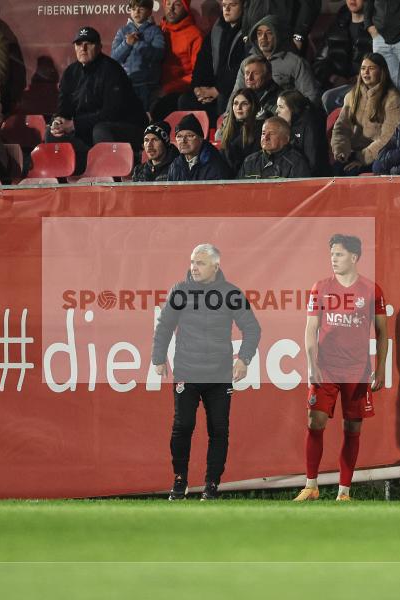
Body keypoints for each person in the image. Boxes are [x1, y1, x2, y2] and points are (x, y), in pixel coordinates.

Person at [152, 243, 261, 500]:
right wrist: (158, 358)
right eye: (192, 262)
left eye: (200, 263)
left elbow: (252, 329)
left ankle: (212, 485)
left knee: (218, 429)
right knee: (183, 425)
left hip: (219, 375)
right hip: (187, 372)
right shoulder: (180, 291)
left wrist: (243, 359)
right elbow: (164, 326)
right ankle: (180, 482)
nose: (194, 267)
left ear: (215, 266)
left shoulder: (231, 293)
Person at [294, 234, 387, 502]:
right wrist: (312, 365)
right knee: (315, 420)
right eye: (332, 254)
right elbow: (311, 328)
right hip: (326, 368)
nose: (333, 259)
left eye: (339, 254)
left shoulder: (371, 290)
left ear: (354, 257)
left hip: (357, 371)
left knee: (353, 428)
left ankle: (344, 491)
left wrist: (380, 369)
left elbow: (382, 332)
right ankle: (311, 486)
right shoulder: (320, 287)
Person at [48, 27, 148, 174]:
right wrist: (59, 120)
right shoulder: (70, 72)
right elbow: (64, 108)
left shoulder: (112, 70)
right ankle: (62, 179)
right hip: (87, 129)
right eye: (79, 44)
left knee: (101, 129)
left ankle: (109, 174)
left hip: (127, 128)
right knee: (51, 132)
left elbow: (111, 114)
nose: (83, 48)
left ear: (100, 47)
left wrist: (74, 124)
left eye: (89, 43)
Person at [330, 52, 400, 175]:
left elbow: (389, 137)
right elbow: (341, 128)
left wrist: (363, 159)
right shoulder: (352, 95)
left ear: (382, 72)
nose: (366, 72)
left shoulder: (392, 99)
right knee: (335, 170)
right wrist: (341, 150)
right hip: (353, 152)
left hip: (377, 156)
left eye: (371, 68)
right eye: (363, 69)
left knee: (350, 173)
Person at [179, 0, 247, 123]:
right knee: (185, 100)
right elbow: (203, 61)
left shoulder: (247, 33)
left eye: (233, 5)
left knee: (223, 100)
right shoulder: (217, 29)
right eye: (225, 5)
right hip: (211, 91)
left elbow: (241, 69)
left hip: (230, 91)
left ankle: (221, 137)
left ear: (244, 7)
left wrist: (217, 90)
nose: (227, 9)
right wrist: (198, 88)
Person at [233, 16, 320, 105]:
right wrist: (228, 115)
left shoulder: (295, 63)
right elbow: (236, 94)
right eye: (259, 33)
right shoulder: (247, 63)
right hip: (250, 113)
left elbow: (312, 96)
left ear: (278, 35)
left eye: (269, 33)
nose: (263, 37)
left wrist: (294, 114)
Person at [313, 0, 373, 113]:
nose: (352, 0)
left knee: (330, 98)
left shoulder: (376, 27)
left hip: (365, 85)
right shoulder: (337, 24)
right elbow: (319, 62)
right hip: (335, 84)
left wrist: (360, 77)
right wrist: (334, 77)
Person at [111, 0, 166, 112]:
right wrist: (127, 44)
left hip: (148, 86)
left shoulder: (156, 31)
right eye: (133, 8)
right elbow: (114, 58)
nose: (136, 11)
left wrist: (137, 43)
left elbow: (158, 55)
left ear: (150, 11)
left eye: (141, 8)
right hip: (126, 84)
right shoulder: (123, 31)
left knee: (144, 118)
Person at [154, 0, 203, 120]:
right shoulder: (157, 31)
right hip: (153, 88)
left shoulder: (195, 35)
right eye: (168, 4)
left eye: (177, 4)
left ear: (186, 8)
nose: (171, 9)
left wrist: (167, 89)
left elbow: (197, 74)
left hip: (178, 92)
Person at [276, 90, 329, 175]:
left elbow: (313, 162)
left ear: (293, 108)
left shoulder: (310, 125)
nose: (276, 111)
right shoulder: (291, 124)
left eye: (281, 107)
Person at [238, 116, 311, 178]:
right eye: (263, 133)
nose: (266, 138)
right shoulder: (249, 161)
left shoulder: (296, 163)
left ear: (286, 139)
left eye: (271, 133)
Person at [167, 113, 233, 181]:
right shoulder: (175, 164)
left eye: (189, 136)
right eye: (179, 136)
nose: (183, 141)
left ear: (201, 139)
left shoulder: (214, 163)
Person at [241, 0, 321, 54]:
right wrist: (246, 34)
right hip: (254, 40)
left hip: (286, 39)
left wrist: (299, 36)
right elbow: (247, 4)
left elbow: (310, 4)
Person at [219, 88, 262, 174]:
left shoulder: (260, 129)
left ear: (253, 106)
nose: (239, 108)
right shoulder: (227, 129)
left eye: (244, 104)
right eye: (235, 103)